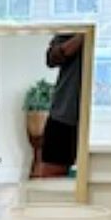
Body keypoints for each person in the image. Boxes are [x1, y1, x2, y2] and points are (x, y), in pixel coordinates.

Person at [34, 32, 84, 177]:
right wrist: (81, 38)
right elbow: (51, 59)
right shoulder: (75, 26)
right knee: (51, 176)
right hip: (65, 113)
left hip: (102, 118)